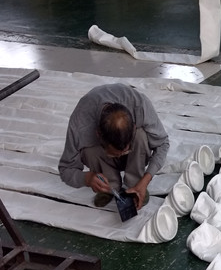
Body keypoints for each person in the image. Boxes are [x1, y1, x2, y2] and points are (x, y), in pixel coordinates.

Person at [58, 83, 169, 211]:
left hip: (135, 157)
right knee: (88, 150)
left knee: (141, 135)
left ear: (133, 127)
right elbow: (66, 169)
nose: (119, 156)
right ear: (98, 134)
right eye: (114, 153)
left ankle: (135, 185)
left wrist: (145, 181)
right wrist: (87, 178)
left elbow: (163, 144)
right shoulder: (80, 123)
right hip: (100, 153)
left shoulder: (139, 105)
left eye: (125, 150)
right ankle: (110, 187)